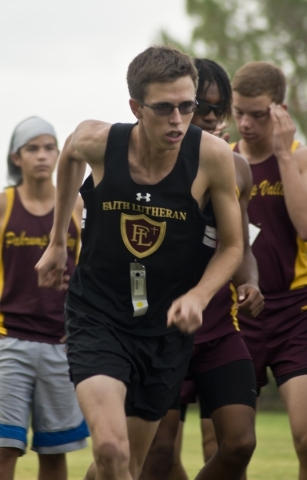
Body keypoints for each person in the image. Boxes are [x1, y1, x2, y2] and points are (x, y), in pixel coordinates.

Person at [35, 46, 244, 480]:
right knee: (110, 449)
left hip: (164, 330)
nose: (178, 120)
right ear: (136, 107)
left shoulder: (211, 156)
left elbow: (232, 247)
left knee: (121, 465)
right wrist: (57, 240)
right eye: (164, 108)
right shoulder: (99, 140)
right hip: (98, 314)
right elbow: (70, 154)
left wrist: (199, 297)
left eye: (187, 107)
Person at [140, 59, 264, 480]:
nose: (209, 117)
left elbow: (239, 246)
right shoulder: (152, 163)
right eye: (201, 106)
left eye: (217, 108)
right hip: (156, 329)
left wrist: (250, 283)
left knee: (239, 443)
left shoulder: (237, 168)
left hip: (215, 326)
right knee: (156, 456)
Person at [0, 116, 88, 480]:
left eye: (49, 147)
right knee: (5, 447)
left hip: (61, 343)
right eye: (32, 148)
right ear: (16, 157)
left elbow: (88, 272)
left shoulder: (77, 207)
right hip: (9, 340)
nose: (42, 155)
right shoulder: (4, 205)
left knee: (54, 450)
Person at [231, 61, 307, 480]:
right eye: (238, 111)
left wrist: (281, 152)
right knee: (230, 446)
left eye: (257, 114)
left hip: (296, 309)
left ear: (278, 110)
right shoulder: (222, 161)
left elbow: (306, 228)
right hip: (238, 311)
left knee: (306, 438)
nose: (245, 123)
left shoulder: (298, 158)